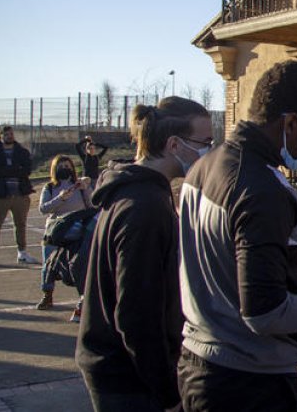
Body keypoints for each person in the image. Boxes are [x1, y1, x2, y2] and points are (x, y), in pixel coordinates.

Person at [177, 61, 297, 412]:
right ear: (290, 123)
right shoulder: (262, 189)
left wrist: (293, 280)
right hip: (248, 382)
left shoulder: (205, 167)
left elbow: (227, 269)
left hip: (199, 364)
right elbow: (263, 312)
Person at [76, 97, 211, 411]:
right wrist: (168, 393)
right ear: (174, 144)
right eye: (204, 143)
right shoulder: (145, 207)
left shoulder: (137, 192)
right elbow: (136, 315)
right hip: (129, 379)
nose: (209, 151)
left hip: (123, 370)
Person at [37, 154, 94, 317]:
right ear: (55, 169)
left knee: (80, 264)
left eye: (68, 166)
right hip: (56, 230)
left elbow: (92, 204)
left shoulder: (79, 185)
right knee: (48, 264)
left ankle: (83, 297)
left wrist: (86, 188)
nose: (65, 169)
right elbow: (43, 208)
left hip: (77, 230)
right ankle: (47, 294)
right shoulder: (49, 187)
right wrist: (60, 198)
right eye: (61, 166)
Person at [0, 126, 37, 268]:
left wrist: (12, 170)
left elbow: (27, 171)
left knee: (21, 225)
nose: (9, 136)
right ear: (0, 136)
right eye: (6, 134)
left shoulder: (22, 152)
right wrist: (17, 169)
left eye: (11, 134)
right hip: (0, 195)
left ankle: (22, 253)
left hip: (20, 194)